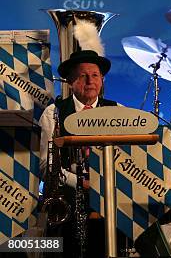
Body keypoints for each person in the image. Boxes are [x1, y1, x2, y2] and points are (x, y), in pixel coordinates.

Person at [38, 49, 117, 257]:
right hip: (68, 203)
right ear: (71, 81)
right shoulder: (53, 113)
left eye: (95, 75)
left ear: (101, 80)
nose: (90, 81)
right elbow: (47, 167)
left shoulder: (118, 111)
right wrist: (80, 182)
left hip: (109, 201)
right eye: (83, 76)